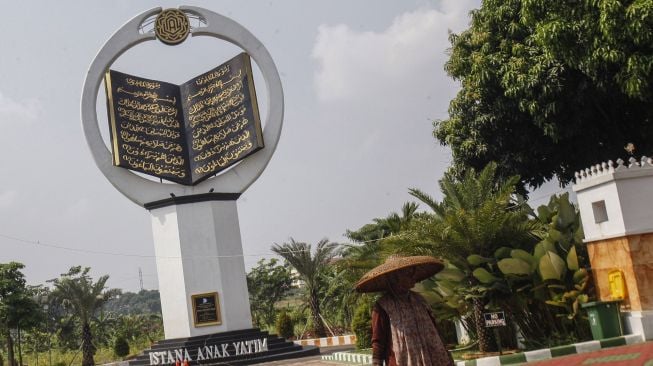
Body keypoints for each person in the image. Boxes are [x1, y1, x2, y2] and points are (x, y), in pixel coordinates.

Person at [355, 255, 454, 366]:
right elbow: (378, 340)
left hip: (434, 358)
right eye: (408, 274)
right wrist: (377, 363)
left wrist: (447, 354)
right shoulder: (383, 306)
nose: (413, 277)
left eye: (413, 273)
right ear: (395, 278)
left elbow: (435, 329)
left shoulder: (419, 300)